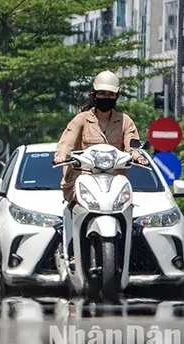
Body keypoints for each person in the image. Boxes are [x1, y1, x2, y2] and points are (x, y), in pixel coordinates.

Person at [53, 70, 149, 266]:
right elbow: (67, 140)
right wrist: (62, 154)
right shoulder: (81, 119)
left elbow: (132, 144)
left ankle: (127, 251)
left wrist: (138, 156)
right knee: (76, 207)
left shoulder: (125, 121)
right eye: (102, 94)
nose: (106, 98)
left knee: (128, 209)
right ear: (93, 94)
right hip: (82, 179)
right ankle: (72, 251)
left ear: (117, 96)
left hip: (114, 182)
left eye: (111, 94)